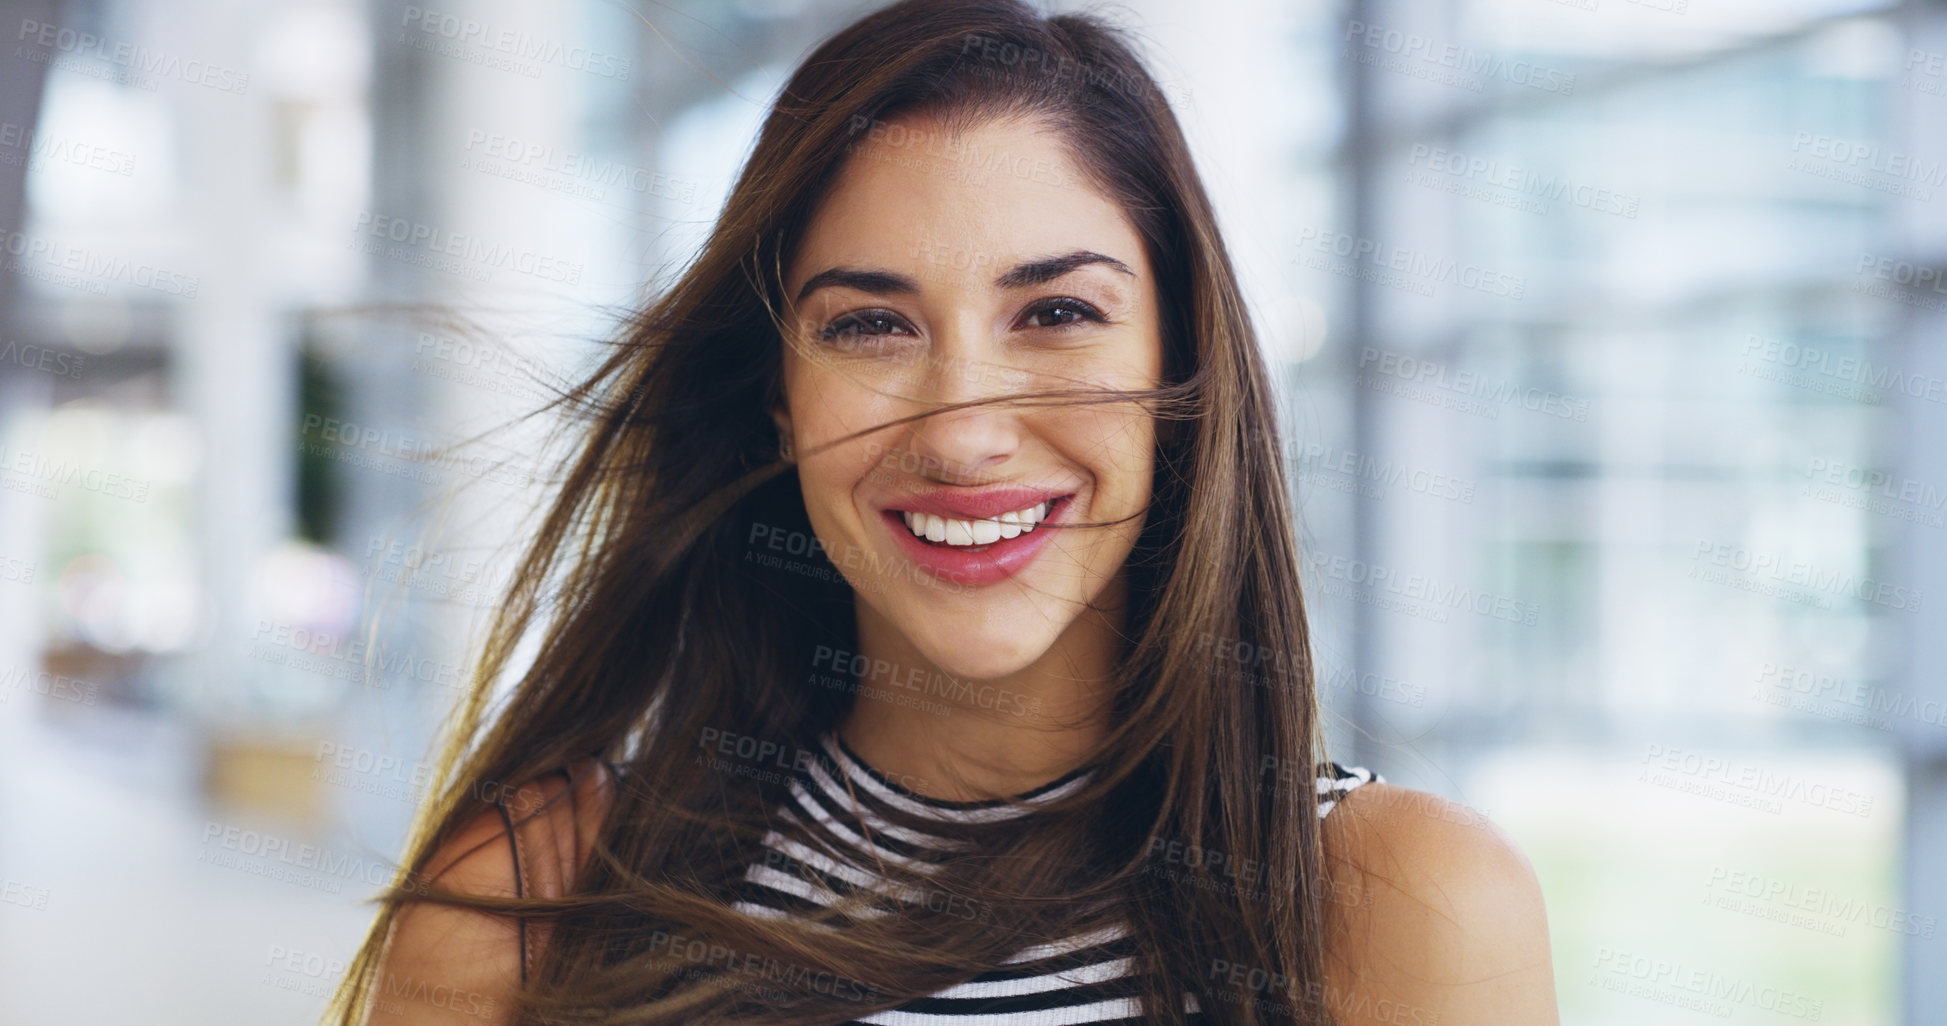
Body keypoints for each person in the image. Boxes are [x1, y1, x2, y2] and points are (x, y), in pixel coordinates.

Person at [327, 1, 1557, 1023]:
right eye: (871, 326)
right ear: (779, 402)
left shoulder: (1404, 903)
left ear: (1186, 378)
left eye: (1058, 313)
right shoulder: (531, 899)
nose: (963, 430)